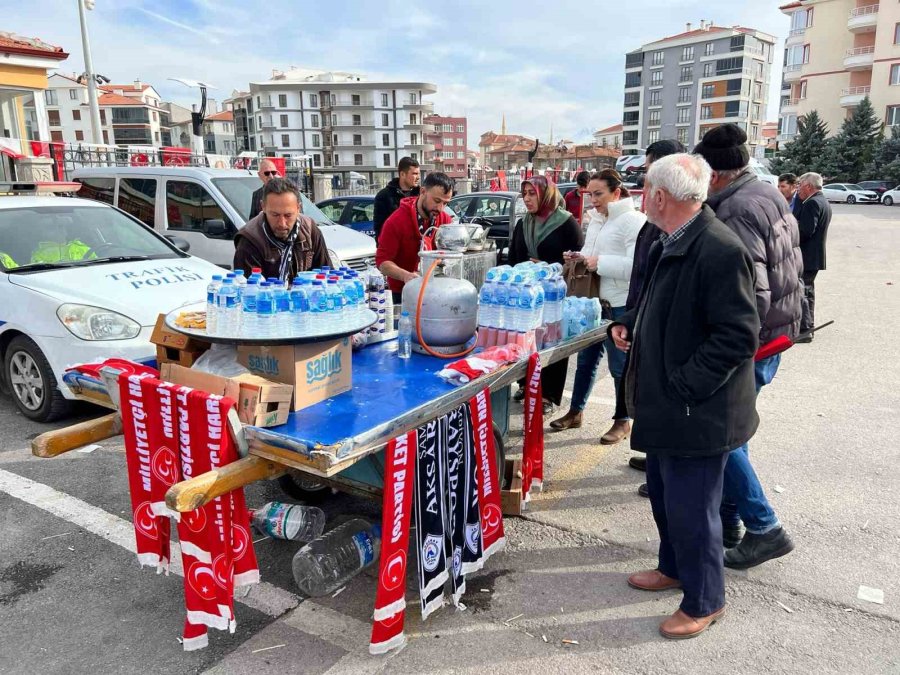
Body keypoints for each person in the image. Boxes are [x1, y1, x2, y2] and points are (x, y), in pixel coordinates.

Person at [611, 153, 759, 640]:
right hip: (666, 404)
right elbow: (653, 301)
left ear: (660, 196)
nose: (642, 196)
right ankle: (673, 568)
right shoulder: (666, 238)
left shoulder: (718, 248)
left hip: (697, 409)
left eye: (646, 188)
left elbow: (737, 337)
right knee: (667, 501)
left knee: (695, 510)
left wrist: (684, 386)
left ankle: (705, 600)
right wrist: (629, 324)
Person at [694, 123, 800, 563]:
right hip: (776, 331)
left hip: (752, 342)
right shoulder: (767, 192)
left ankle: (764, 526)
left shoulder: (735, 209)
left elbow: (749, 290)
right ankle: (731, 517)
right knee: (737, 429)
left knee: (725, 435)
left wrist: (729, 347)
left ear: (716, 175)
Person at [550, 170, 645, 444]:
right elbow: (592, 257)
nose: (593, 200)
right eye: (590, 194)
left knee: (619, 367)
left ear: (616, 192)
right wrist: (579, 258)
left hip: (620, 305)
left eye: (599, 193)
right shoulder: (596, 221)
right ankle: (576, 411)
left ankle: (622, 420)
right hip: (593, 303)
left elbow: (636, 267)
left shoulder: (634, 221)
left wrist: (598, 262)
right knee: (585, 362)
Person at [620, 139, 686, 495]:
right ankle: (655, 459)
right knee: (647, 397)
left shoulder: (688, 234)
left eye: (648, 171)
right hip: (642, 320)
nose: (643, 182)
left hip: (663, 339)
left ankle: (751, 518)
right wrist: (630, 320)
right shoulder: (657, 224)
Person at [509, 176, 583, 413]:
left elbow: (577, 262)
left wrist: (545, 266)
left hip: (554, 295)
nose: (528, 199)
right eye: (525, 194)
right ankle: (525, 382)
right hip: (527, 297)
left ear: (546, 194)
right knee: (527, 340)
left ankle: (548, 394)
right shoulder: (524, 224)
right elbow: (513, 258)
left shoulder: (566, 223)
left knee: (551, 340)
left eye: (533, 193)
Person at [375, 171, 454, 302]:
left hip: (435, 291)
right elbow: (382, 262)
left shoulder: (444, 219)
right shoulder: (396, 221)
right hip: (402, 293)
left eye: (445, 203)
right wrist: (406, 276)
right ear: (423, 191)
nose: (440, 208)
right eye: (437, 201)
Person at [234, 177, 331, 281]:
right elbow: (250, 291)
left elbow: (325, 274)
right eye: (275, 215)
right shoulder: (249, 239)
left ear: (298, 208)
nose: (282, 223)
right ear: (263, 207)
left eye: (288, 215)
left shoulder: (310, 229)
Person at [795, 172, 831, 343]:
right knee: (808, 291)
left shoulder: (812, 203)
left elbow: (806, 231)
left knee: (802, 291)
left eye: (800, 184)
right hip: (813, 256)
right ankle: (808, 325)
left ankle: (805, 330)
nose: (798, 188)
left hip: (807, 256)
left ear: (808, 186)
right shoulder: (822, 200)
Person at [373, 157, 420, 242]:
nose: (418, 177)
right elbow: (380, 229)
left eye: (418, 174)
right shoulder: (384, 196)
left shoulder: (421, 195)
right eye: (414, 174)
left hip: (417, 249)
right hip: (395, 249)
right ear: (402, 174)